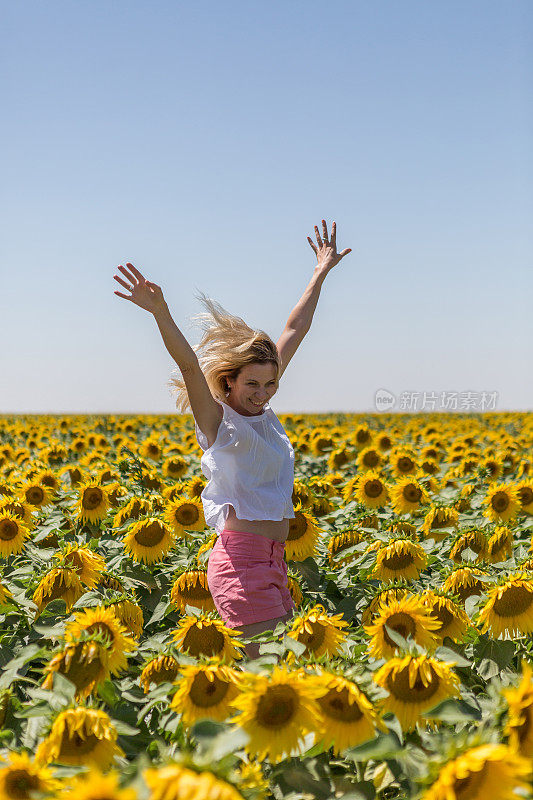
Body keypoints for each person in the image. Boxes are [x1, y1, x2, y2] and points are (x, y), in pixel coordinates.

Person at [113, 220, 352, 657]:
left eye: (271, 384)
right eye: (252, 386)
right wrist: (160, 312)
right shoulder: (218, 423)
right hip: (241, 563)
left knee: (288, 671)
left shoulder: (265, 416)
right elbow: (188, 367)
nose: (262, 394)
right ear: (229, 380)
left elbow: (295, 328)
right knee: (271, 673)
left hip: (275, 559)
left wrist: (321, 271)